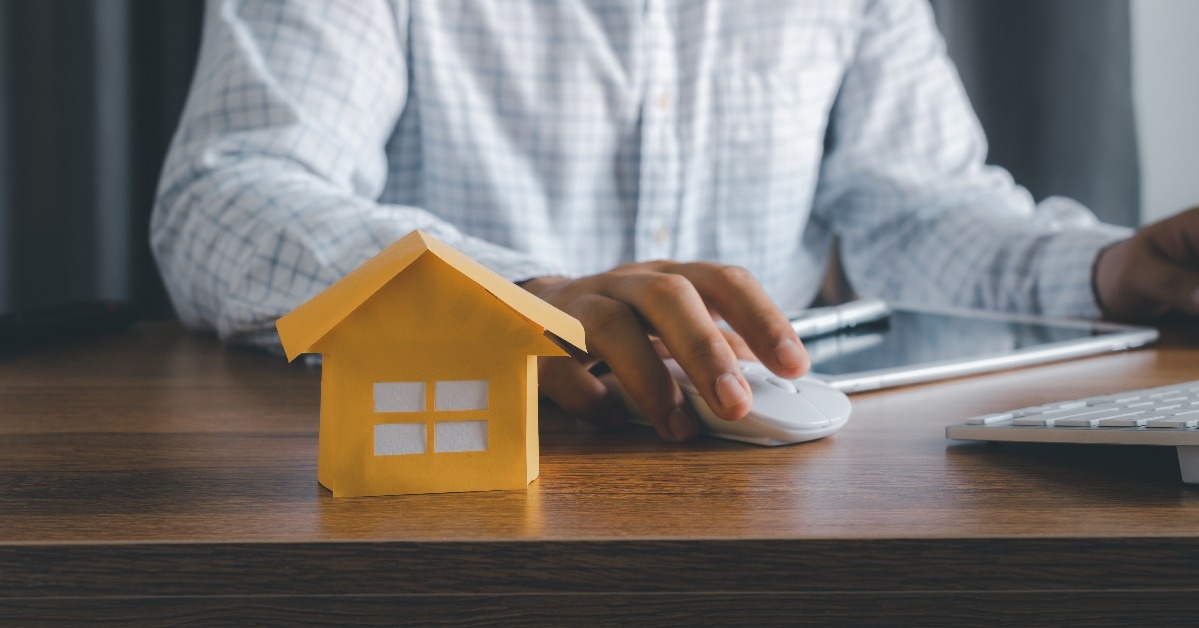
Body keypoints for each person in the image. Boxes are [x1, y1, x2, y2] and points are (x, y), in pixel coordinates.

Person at [152, 0, 1199, 443]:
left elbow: (915, 208)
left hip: (776, 495)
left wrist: (1106, 272)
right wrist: (513, 295)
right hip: (450, 487)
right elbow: (226, 194)